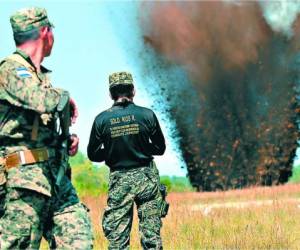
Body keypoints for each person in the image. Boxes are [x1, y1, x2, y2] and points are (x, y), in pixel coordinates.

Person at [0, 7, 93, 249]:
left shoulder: (38, 77)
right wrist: (64, 95)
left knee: (79, 243)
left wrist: (65, 140)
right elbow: (41, 100)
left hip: (57, 180)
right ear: (45, 32)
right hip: (23, 182)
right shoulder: (10, 69)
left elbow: (39, 119)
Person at [87, 72, 169, 249]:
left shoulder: (101, 119)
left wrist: (110, 153)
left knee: (117, 240)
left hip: (119, 180)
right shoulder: (147, 115)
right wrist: (142, 148)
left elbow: (93, 154)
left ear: (110, 94)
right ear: (133, 91)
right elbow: (160, 148)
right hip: (147, 178)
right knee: (151, 237)